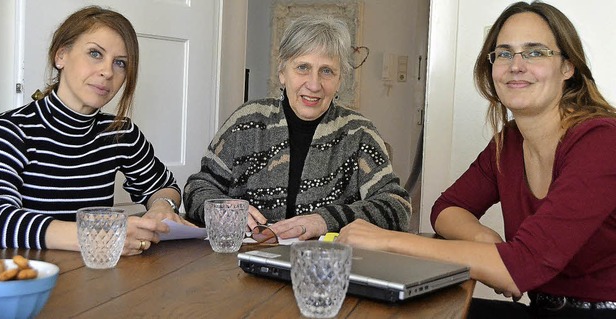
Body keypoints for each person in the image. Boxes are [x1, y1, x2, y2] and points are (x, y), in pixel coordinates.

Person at [337, 1, 616, 318]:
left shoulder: (602, 142)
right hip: (543, 308)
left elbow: (521, 267)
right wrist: (487, 242)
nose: (516, 65)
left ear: (568, 67)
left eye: (535, 52)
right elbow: (446, 208)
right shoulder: (509, 143)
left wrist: (388, 241)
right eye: (505, 53)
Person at [0, 6, 194, 256]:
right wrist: (91, 236)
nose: (108, 72)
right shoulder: (7, 130)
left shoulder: (120, 133)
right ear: (61, 56)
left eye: (120, 63)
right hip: (29, 280)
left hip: (96, 278)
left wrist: (161, 207)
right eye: (95, 53)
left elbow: (164, 186)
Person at [184, 15, 410, 240]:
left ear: (340, 79)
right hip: (245, 261)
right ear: (282, 73)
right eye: (302, 67)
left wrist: (325, 220)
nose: (313, 84)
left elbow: (397, 207)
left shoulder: (359, 134)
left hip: (325, 266)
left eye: (327, 71)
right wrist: (222, 208)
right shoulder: (247, 122)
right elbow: (198, 187)